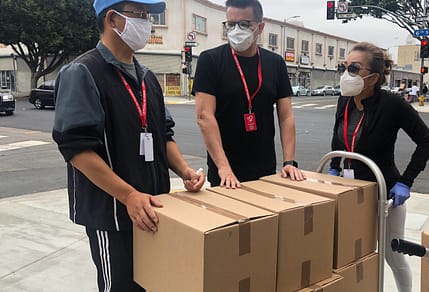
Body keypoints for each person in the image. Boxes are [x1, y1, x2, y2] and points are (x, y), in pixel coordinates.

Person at [52, 1, 205, 291]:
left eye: (149, 16)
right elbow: (76, 149)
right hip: (112, 215)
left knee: (155, 283)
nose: (148, 23)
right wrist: (129, 195)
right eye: (141, 15)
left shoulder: (147, 78)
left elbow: (164, 135)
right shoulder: (83, 72)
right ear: (112, 19)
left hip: (152, 209)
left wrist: (185, 171)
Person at [327, 42, 429, 292]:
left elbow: (426, 141)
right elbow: (337, 136)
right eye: (344, 67)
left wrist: (406, 182)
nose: (346, 74)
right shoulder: (345, 101)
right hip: (351, 192)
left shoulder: (392, 104)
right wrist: (335, 166)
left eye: (354, 68)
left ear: (373, 77)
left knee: (392, 255)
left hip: (386, 194)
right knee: (352, 252)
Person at [192, 0, 305, 188]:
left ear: (260, 27)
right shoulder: (210, 60)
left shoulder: (275, 63)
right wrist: (223, 167)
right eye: (231, 24)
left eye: (245, 24)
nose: (237, 29)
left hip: (265, 168)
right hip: (225, 172)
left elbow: (286, 117)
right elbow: (204, 116)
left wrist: (289, 162)